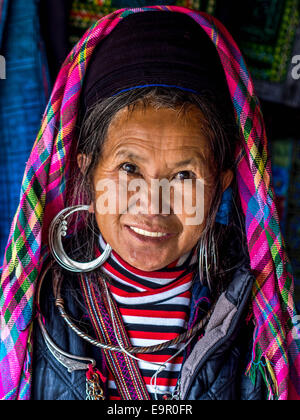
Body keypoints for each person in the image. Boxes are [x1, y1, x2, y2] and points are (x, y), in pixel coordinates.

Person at [0, 5, 299, 401]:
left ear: (221, 185)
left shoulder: (255, 317)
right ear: (87, 170)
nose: (153, 205)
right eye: (129, 168)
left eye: (183, 176)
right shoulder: (36, 309)